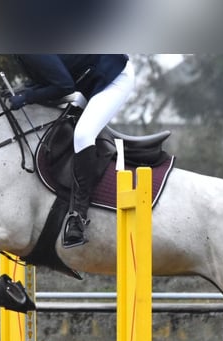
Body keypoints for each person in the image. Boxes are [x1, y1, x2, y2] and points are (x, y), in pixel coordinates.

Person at [8, 54, 135, 248]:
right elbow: (47, 80)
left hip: (113, 78)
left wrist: (26, 97)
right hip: (86, 82)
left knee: (83, 135)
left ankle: (78, 216)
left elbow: (63, 86)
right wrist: (23, 92)